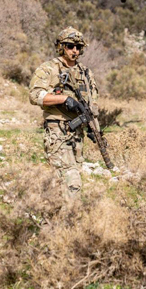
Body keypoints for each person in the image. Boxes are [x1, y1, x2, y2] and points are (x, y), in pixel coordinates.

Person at [29, 27, 99, 199]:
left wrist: (94, 128)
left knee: (64, 183)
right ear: (61, 47)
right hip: (58, 133)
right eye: (69, 46)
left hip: (78, 136)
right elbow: (34, 95)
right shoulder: (49, 69)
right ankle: (69, 221)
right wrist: (63, 99)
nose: (74, 50)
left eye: (78, 47)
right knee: (72, 181)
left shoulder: (86, 73)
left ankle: (53, 220)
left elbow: (93, 103)